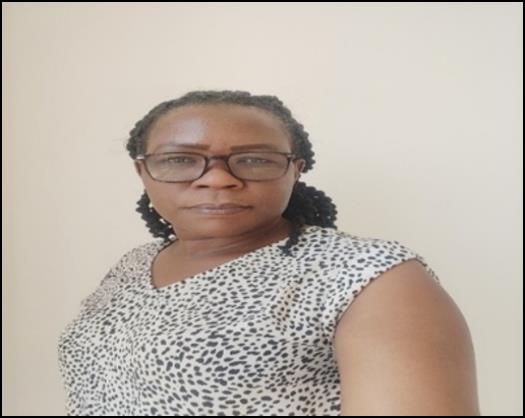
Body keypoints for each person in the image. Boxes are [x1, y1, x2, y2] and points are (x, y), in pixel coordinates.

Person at [58, 90, 480, 415]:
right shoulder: (133, 265)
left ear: (295, 170)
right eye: (181, 159)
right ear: (143, 171)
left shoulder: (367, 275)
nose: (217, 180)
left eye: (254, 160)